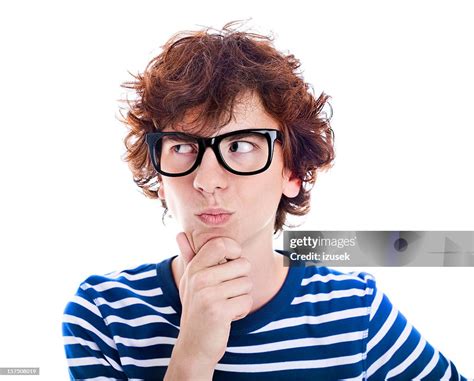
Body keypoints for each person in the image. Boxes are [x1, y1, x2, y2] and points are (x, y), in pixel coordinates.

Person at [62, 21, 470, 380]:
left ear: (291, 173)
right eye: (183, 147)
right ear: (159, 174)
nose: (207, 180)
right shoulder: (104, 313)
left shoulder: (355, 312)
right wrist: (194, 354)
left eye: (239, 145)